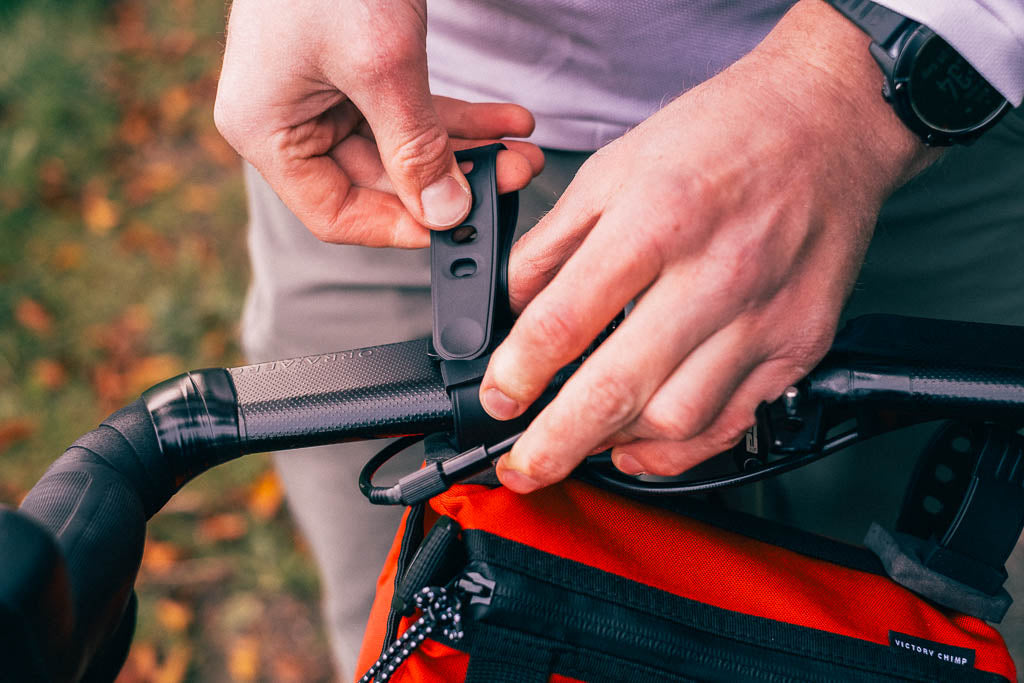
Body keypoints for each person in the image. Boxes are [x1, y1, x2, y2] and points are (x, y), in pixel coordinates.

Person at [214, 0, 1024, 678]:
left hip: (918, 123)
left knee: (915, 633)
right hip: (396, 135)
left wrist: (849, 79)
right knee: (411, 628)